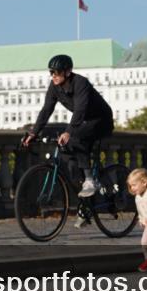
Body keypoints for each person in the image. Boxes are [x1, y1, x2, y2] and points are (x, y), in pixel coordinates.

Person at [22, 55, 115, 216]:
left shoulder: (80, 83)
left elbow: (80, 110)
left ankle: (89, 181)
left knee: (75, 138)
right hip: (85, 121)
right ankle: (86, 202)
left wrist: (68, 132)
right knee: (67, 152)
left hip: (101, 120)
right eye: (51, 72)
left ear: (68, 72)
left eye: (57, 72)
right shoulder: (55, 86)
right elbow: (46, 110)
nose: (53, 76)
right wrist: (33, 133)